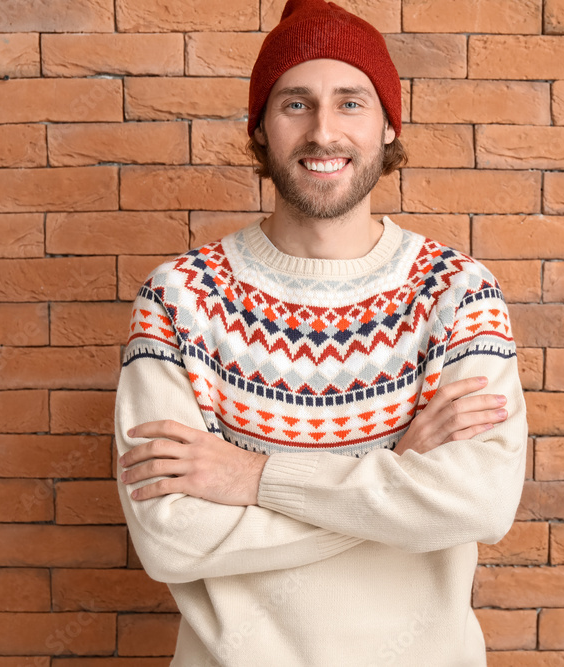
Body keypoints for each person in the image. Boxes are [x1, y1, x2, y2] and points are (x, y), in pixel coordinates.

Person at [112, 0, 528, 665]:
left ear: (389, 126)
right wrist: (392, 478)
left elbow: (479, 503)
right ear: (260, 129)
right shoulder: (180, 298)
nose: (324, 131)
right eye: (296, 104)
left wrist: (255, 477)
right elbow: (171, 539)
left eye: (351, 103)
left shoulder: (457, 292)